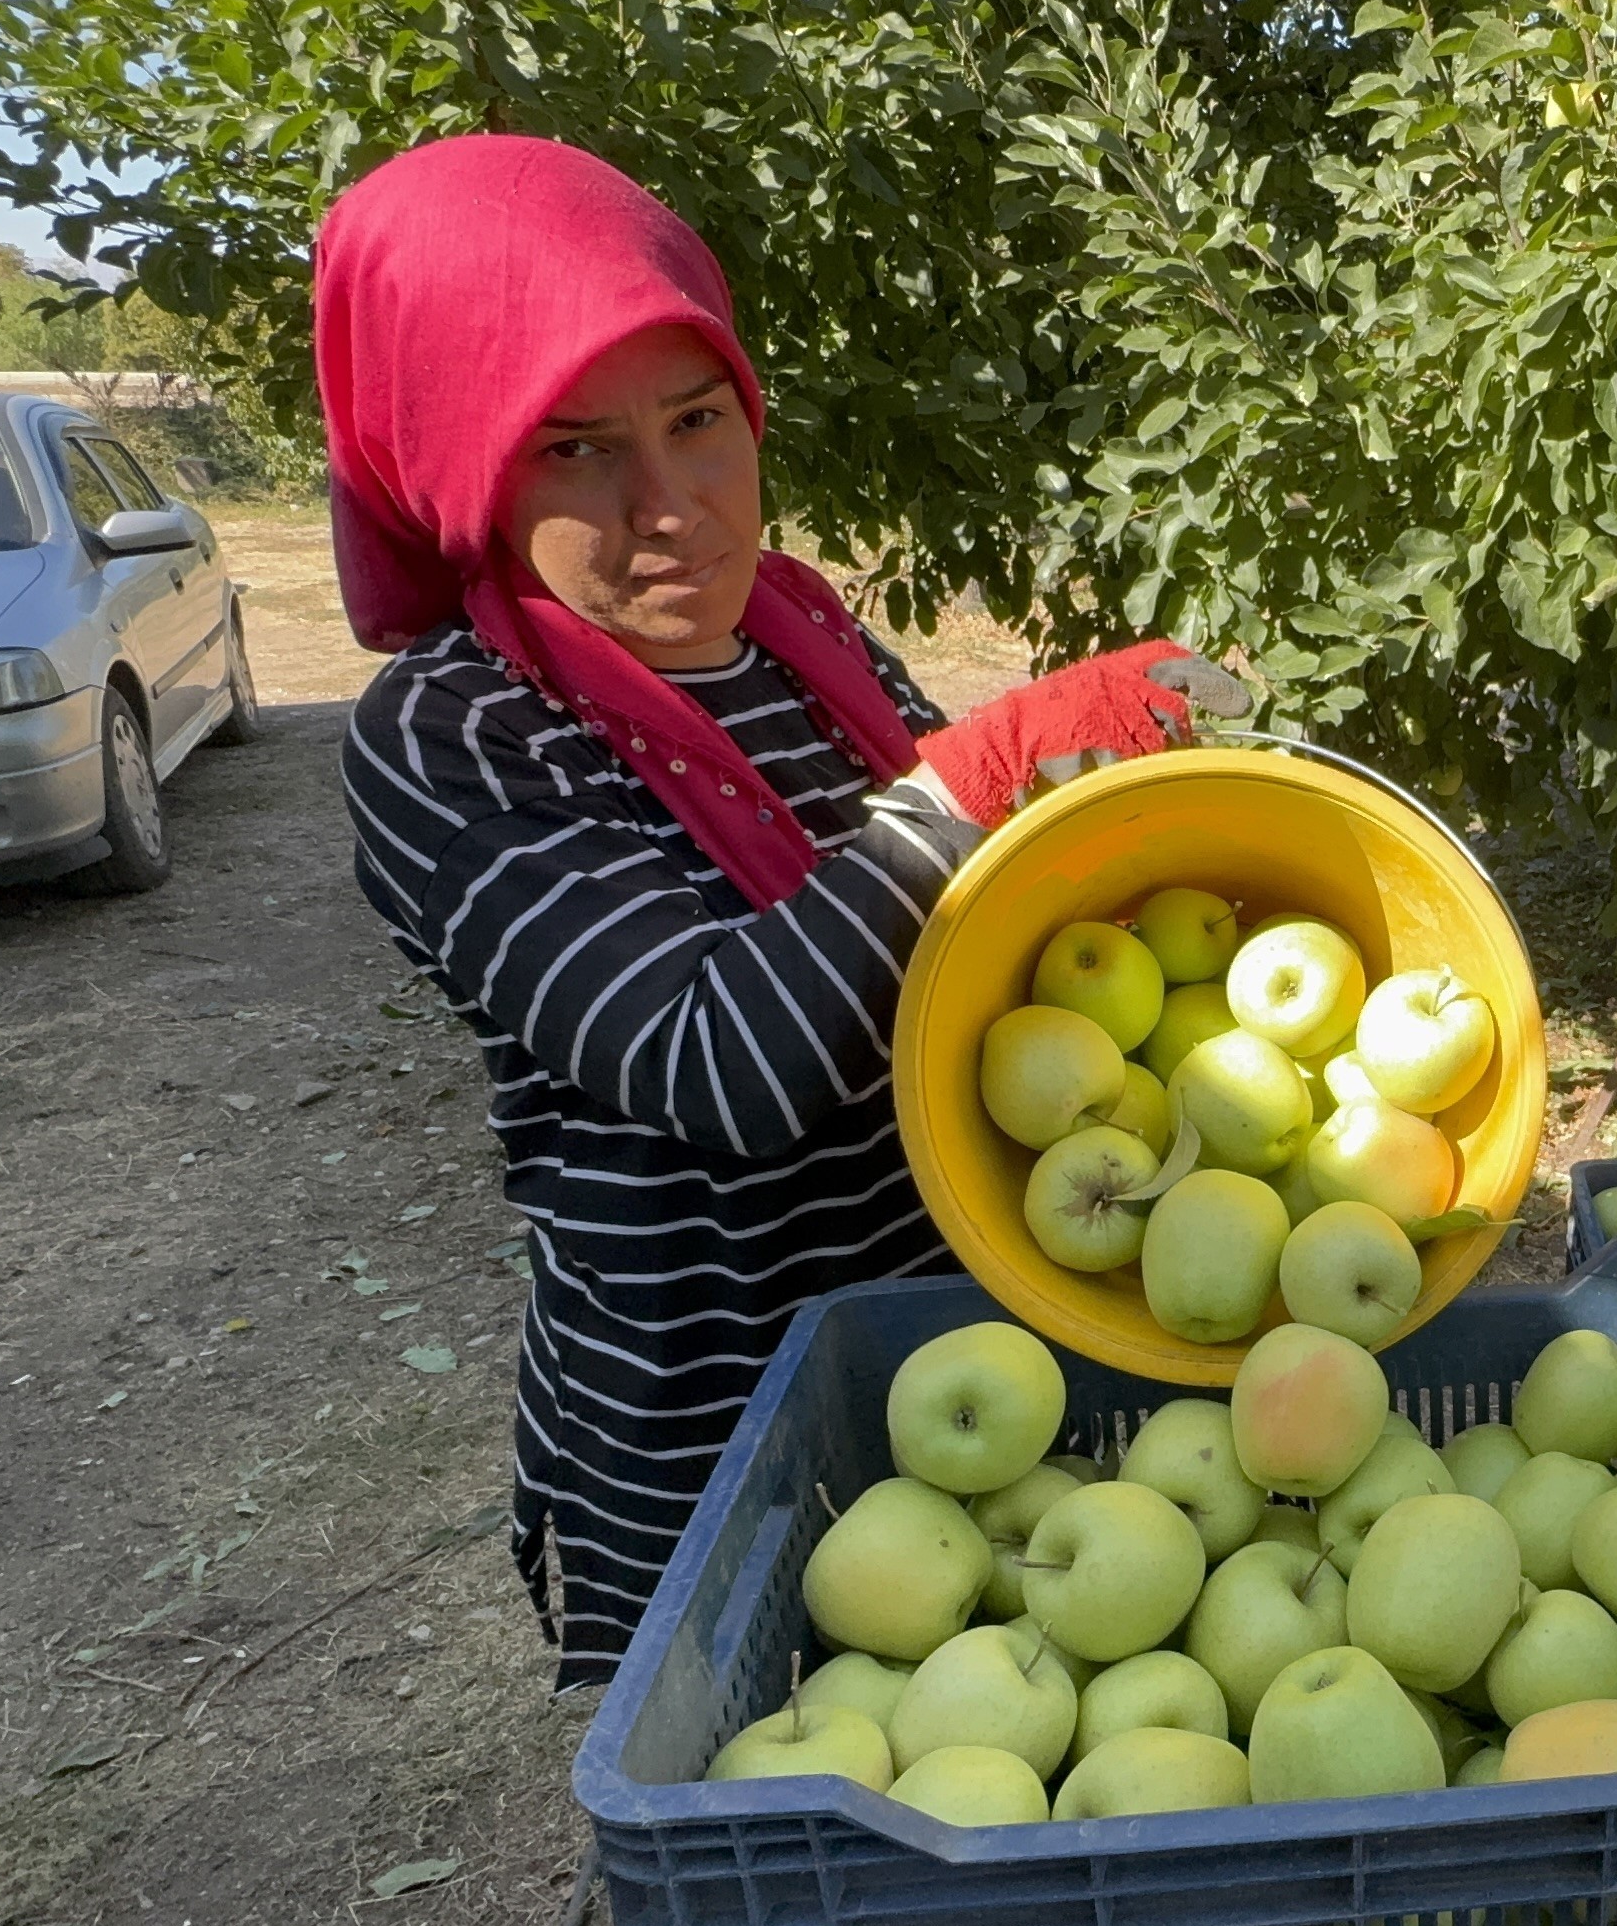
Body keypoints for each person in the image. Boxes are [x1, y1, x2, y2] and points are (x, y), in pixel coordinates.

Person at [319, 135, 1243, 1687]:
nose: (671, 507)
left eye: (697, 421)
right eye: (572, 450)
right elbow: (714, 1061)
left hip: (959, 1373)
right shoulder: (458, 732)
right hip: (715, 1439)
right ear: (459, 465)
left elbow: (959, 938)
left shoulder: (806, 641)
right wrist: (974, 780)